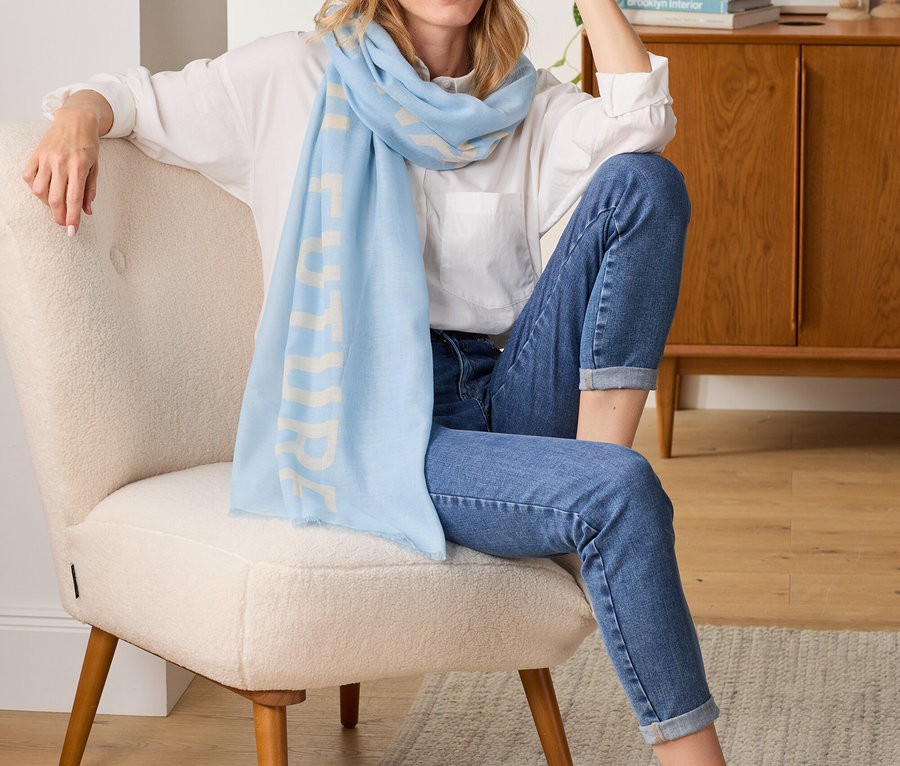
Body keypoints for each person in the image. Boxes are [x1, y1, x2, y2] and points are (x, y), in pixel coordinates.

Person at [22, 0, 728, 763]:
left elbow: (641, 125)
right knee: (620, 490)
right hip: (378, 429)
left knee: (646, 183)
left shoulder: (521, 103)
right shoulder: (294, 74)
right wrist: (78, 119)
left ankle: (590, 478)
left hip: (505, 388)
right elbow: (135, 100)